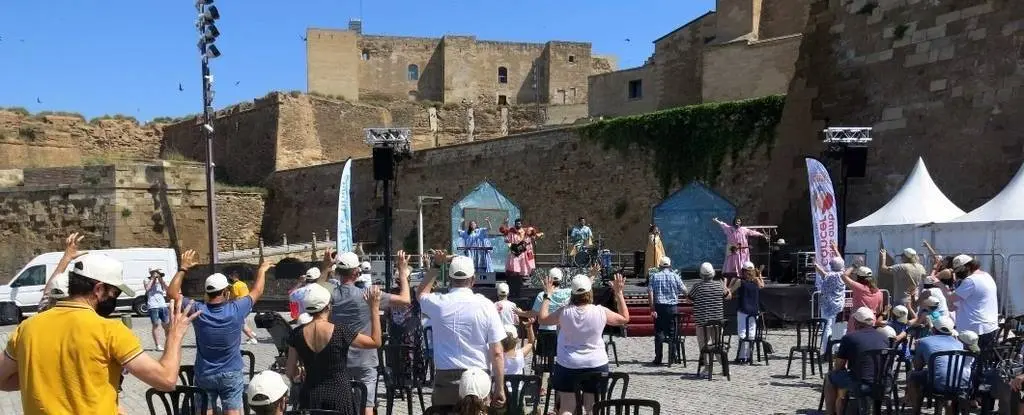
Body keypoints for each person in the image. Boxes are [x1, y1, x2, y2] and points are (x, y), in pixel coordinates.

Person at [0, 245, 200, 415]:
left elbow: (3, 380)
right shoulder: (110, 331)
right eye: (115, 292)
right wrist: (174, 336)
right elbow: (166, 380)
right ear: (98, 289)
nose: (115, 298)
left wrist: (42, 378)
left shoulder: (27, 328)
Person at [167, 250, 268, 415]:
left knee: (205, 410)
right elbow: (257, 291)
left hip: (204, 372)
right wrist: (262, 270)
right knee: (233, 411)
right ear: (226, 292)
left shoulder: (198, 310)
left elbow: (171, 293)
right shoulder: (236, 309)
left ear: (207, 293)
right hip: (231, 371)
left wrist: (183, 268)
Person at [322, 248, 411, 415]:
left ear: (339, 272)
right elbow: (405, 300)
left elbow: (316, 292)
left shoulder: (330, 295)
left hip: (339, 357)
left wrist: (325, 267)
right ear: (357, 272)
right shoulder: (368, 294)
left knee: (342, 404)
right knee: (367, 404)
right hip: (365, 357)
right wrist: (402, 272)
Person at [419, 251, 506, 407]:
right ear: (473, 280)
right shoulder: (486, 305)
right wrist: (499, 387)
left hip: (446, 377)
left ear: (450, 279)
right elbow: (497, 352)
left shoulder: (438, 303)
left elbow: (421, 294)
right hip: (477, 378)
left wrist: (436, 265)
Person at [539, 273, 629, 415]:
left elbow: (542, 319)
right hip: (596, 364)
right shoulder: (600, 311)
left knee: (567, 408)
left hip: (568, 363)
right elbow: (624, 318)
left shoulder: (564, 312)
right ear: (590, 291)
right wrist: (618, 293)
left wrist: (547, 295)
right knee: (592, 408)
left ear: (572, 293)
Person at [286, 283, 382, 412]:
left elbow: (290, 372)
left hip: (310, 394)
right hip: (339, 393)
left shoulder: (296, 334)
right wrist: (374, 308)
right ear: (328, 306)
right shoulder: (339, 331)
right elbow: (375, 342)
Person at [822, 307, 891, 415]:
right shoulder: (884, 337)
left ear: (856, 322)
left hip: (860, 383)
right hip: (884, 383)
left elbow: (839, 366)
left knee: (830, 377)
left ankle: (831, 413)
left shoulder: (849, 337)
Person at [906, 316, 971, 414]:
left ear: (933, 329)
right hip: (962, 384)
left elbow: (918, 367)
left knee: (913, 376)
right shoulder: (959, 343)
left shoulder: (923, 341)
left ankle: (916, 410)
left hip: (938, 385)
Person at [940, 254, 999, 350]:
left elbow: (951, 298)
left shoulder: (970, 280)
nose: (959, 274)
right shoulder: (986, 275)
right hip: (988, 326)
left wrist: (940, 285)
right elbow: (974, 299)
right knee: (982, 360)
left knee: (968, 361)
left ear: (968, 266)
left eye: (960, 271)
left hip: (973, 329)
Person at [688, 262, 731, 374]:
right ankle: (725, 368)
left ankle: (707, 368)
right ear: (713, 274)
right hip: (718, 321)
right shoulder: (719, 285)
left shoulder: (697, 287)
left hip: (702, 322)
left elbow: (689, 299)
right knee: (718, 345)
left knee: (704, 346)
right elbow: (728, 297)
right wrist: (725, 286)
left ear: (701, 275)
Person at [646, 256, 687, 366]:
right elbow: (684, 290)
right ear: (670, 265)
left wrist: (652, 308)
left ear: (659, 266)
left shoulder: (654, 276)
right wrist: (689, 297)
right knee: (673, 332)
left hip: (659, 307)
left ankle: (658, 358)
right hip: (672, 307)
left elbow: (650, 293)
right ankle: (672, 356)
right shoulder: (675, 276)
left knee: (659, 332)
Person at [499, 218, 544, 299]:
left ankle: (524, 286)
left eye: (519, 223)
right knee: (514, 271)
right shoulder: (512, 232)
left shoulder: (526, 231)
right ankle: (514, 287)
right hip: (515, 253)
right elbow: (507, 239)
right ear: (515, 224)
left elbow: (534, 235)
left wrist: (536, 235)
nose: (518, 224)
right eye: (517, 223)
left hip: (523, 254)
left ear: (521, 224)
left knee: (524, 270)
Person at [729, 261, 764, 364]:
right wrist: (759, 275)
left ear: (743, 271)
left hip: (743, 309)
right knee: (751, 333)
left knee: (742, 332)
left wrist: (730, 283)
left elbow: (730, 291)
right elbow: (762, 286)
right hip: (754, 310)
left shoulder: (740, 282)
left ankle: (742, 356)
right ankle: (749, 356)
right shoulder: (757, 281)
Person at [813, 256, 848, 354]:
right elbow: (843, 265)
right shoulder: (843, 275)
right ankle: (836, 349)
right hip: (838, 306)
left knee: (827, 327)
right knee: (837, 327)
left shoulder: (829, 275)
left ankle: (826, 350)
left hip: (826, 305)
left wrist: (815, 264)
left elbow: (821, 272)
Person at [839, 266, 884, 332]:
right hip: (871, 321)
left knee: (852, 340)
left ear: (859, 277)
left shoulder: (858, 287)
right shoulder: (879, 292)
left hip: (856, 321)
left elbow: (843, 276)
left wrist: (854, 265)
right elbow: (878, 311)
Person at [531, 268, 572, 334]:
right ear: (561, 279)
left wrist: (520, 313)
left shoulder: (542, 295)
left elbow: (533, 313)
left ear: (549, 279)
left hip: (545, 329)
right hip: (561, 329)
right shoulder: (568, 292)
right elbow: (583, 290)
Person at [227, 269, 260, 345]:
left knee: (241, 324)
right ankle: (252, 334)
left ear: (233, 277)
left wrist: (228, 301)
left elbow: (236, 297)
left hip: (240, 307)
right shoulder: (243, 284)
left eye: (230, 276)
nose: (229, 277)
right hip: (248, 305)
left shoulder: (235, 286)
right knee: (242, 321)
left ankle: (252, 339)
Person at [144, 268, 171, 351]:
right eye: (155, 272)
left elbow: (167, 290)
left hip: (162, 305)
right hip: (153, 306)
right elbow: (147, 289)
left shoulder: (161, 280)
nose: (157, 273)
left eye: (158, 272)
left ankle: (168, 343)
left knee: (166, 324)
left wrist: (161, 280)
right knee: (155, 325)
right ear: (151, 273)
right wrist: (152, 279)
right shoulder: (146, 280)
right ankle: (158, 345)